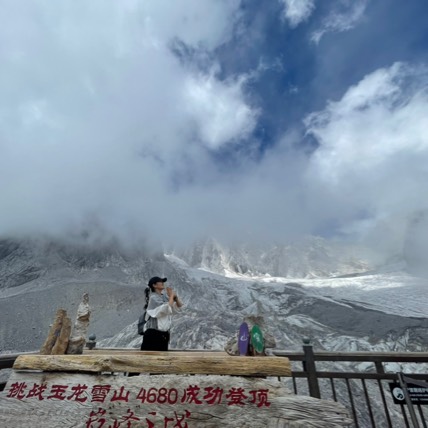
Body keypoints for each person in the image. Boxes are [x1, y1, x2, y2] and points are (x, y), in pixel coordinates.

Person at [140, 276, 183, 351]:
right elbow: (165, 308)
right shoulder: (153, 297)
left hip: (163, 334)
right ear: (154, 285)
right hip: (153, 334)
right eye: (160, 281)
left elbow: (179, 306)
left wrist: (175, 297)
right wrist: (171, 296)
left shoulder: (164, 297)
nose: (163, 283)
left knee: (162, 360)